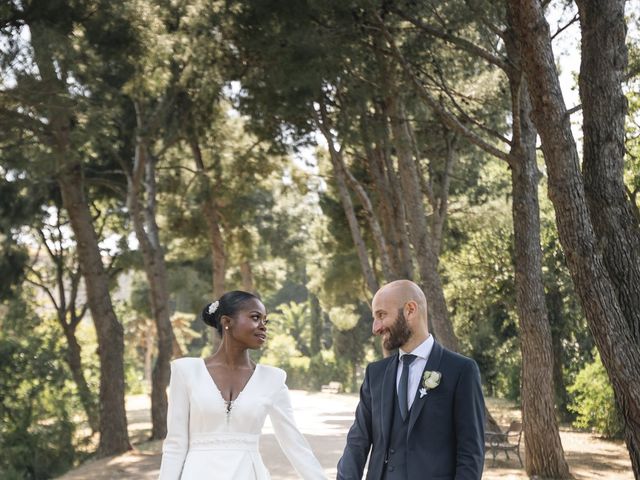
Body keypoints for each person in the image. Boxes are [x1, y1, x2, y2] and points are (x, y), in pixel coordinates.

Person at [158, 290, 326, 480]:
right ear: (227, 322)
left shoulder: (273, 379)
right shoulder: (186, 371)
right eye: (255, 318)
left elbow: (294, 444)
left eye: (265, 321)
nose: (263, 326)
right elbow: (175, 444)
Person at [337, 280, 485, 480]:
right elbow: (357, 442)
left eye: (381, 315)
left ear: (410, 310)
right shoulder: (375, 374)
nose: (375, 328)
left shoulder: (461, 371)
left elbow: (470, 453)